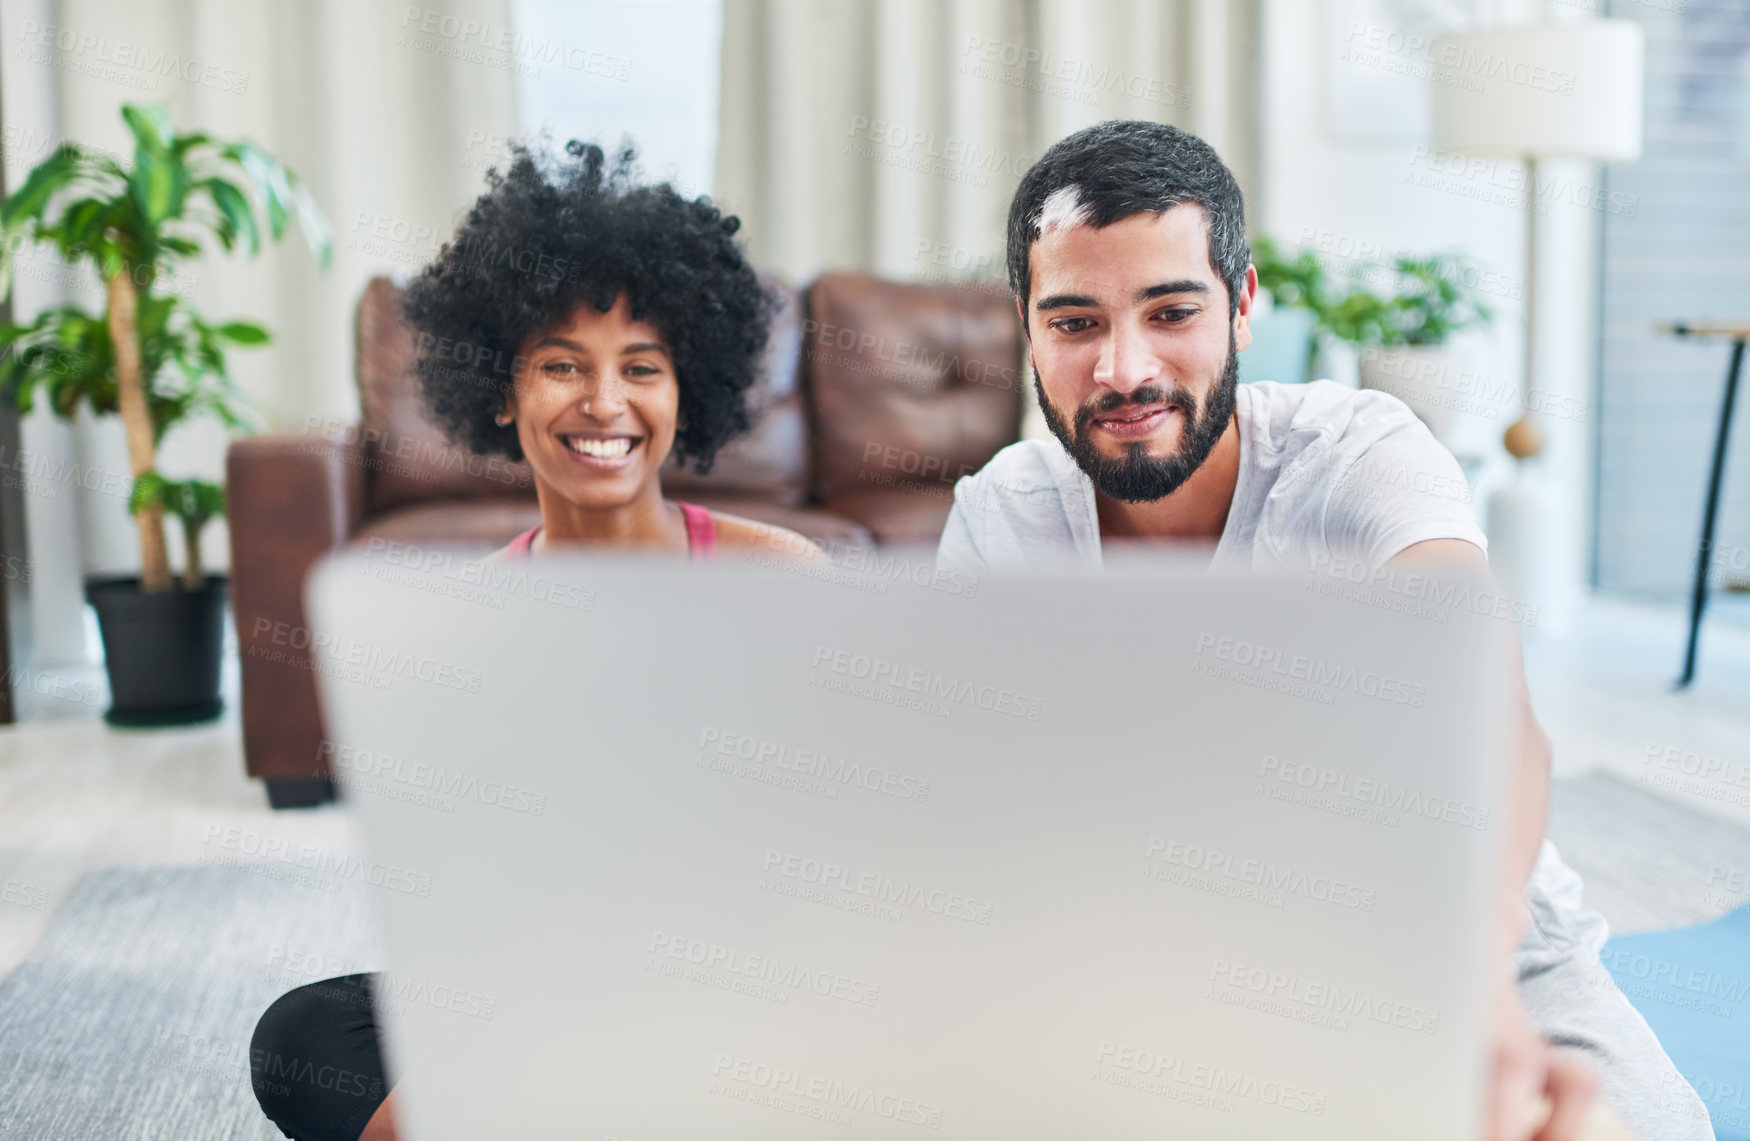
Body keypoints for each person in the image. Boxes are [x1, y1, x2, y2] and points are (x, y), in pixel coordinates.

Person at [936, 119, 1710, 1141]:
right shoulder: (1001, 516)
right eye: (1074, 324)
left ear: (1243, 305)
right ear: (1025, 327)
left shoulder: (1357, 455)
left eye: (1171, 312)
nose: (1124, 370)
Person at [249, 140, 818, 1141]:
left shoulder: (779, 581)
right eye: (562, 365)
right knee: (305, 1035)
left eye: (641, 368)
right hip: (558, 987)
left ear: (687, 393)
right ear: (503, 391)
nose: (604, 403)